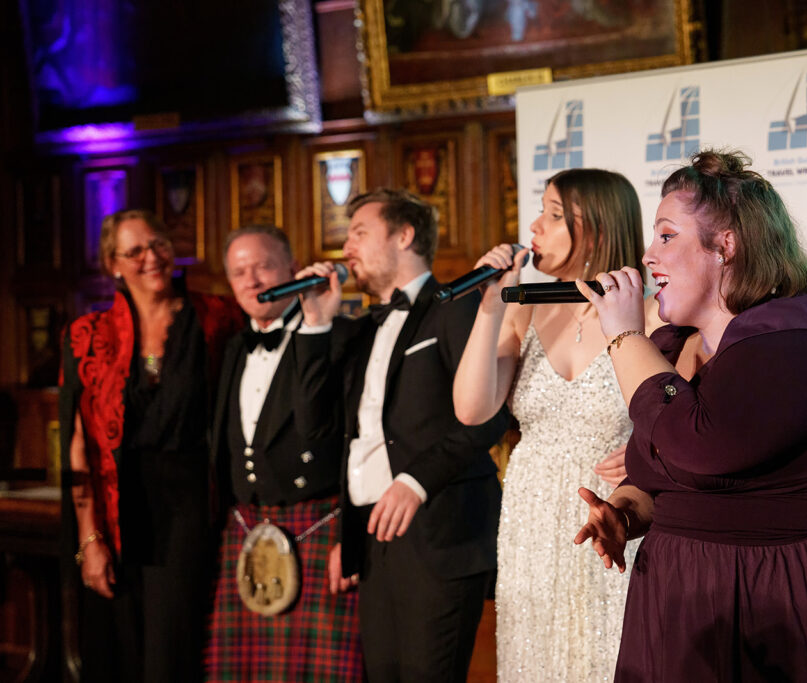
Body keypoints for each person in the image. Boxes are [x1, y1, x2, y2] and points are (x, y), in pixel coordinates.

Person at [572, 149, 807, 682]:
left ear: (725, 245)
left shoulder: (793, 338)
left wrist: (624, 335)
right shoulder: (674, 344)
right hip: (686, 595)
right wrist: (625, 512)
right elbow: (665, 477)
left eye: (666, 236)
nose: (647, 255)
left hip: (792, 600)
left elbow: (701, 447)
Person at [452, 168, 661, 681]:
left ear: (596, 227)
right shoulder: (524, 311)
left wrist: (645, 453)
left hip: (610, 515)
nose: (534, 227)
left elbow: (680, 417)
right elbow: (472, 409)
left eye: (553, 214)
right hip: (531, 520)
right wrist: (491, 304)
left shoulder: (652, 315)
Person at [295, 188, 508, 681]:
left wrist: (416, 481)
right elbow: (317, 428)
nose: (346, 247)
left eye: (359, 233)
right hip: (373, 538)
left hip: (439, 534)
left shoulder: (455, 307)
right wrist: (316, 323)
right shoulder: (361, 329)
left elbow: (490, 417)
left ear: (405, 236)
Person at [58, 209, 242, 682]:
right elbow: (79, 444)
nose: (152, 257)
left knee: (172, 654)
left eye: (158, 244)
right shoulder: (87, 335)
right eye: (134, 251)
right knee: (118, 653)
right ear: (112, 264)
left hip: (189, 510)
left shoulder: (217, 317)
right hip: (115, 511)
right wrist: (89, 539)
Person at [204, 225, 363, 681]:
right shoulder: (233, 347)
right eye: (239, 272)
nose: (252, 280)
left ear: (293, 268)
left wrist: (349, 537)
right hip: (246, 530)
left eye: (264, 266)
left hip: (319, 526)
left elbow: (353, 442)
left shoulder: (339, 336)